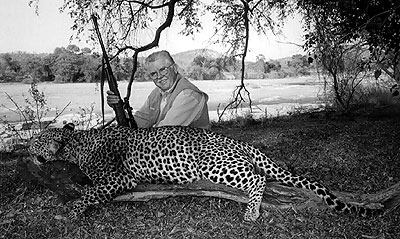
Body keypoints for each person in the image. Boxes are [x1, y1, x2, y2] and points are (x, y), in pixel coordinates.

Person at [107, 50, 210, 129]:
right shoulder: (156, 93)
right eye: (153, 74)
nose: (159, 76)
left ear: (174, 68)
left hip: (193, 153)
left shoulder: (188, 96)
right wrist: (118, 108)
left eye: (163, 70)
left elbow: (164, 133)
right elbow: (138, 123)